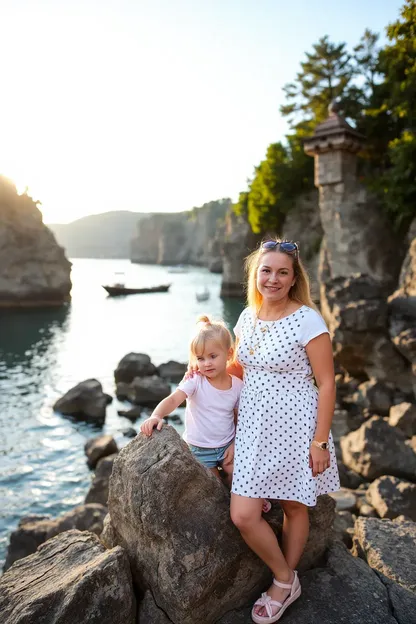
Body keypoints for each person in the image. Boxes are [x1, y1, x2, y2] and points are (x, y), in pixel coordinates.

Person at [229, 239, 340, 624]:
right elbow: (240, 368)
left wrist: (320, 441)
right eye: (266, 270)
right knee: (243, 514)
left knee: (294, 505)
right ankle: (286, 576)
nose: (272, 278)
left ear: (294, 279)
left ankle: (282, 583)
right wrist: (200, 374)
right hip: (253, 427)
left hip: (297, 427)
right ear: (255, 274)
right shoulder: (247, 316)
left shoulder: (308, 319)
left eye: (282, 272)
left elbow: (326, 383)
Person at [140, 315, 243, 486]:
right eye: (200, 358)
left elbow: (241, 417)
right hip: (200, 449)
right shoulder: (195, 380)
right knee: (214, 487)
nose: (207, 363)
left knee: (238, 476)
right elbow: (173, 400)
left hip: (227, 446)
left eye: (212, 356)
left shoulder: (237, 385)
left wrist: (234, 442)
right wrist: (156, 415)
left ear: (229, 354)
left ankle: (244, 497)